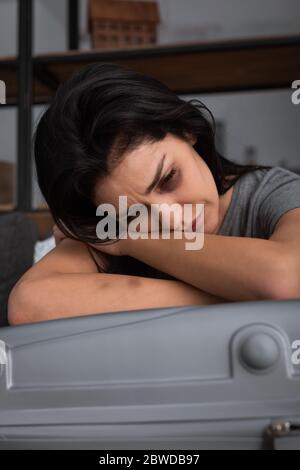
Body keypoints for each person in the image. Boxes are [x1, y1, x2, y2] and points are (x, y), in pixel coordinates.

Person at [8, 63, 300, 325]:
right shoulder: (104, 227)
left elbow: (287, 280)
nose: (173, 221)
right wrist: (247, 295)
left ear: (187, 129)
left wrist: (131, 238)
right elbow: (30, 304)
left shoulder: (272, 192)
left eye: (168, 179)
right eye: (135, 215)